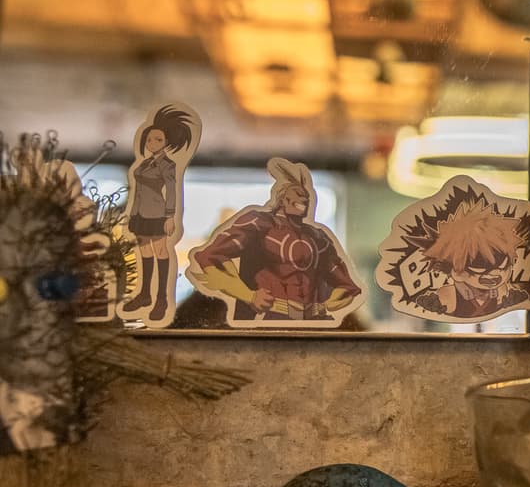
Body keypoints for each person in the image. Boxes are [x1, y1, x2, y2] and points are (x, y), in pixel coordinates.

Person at [187, 159, 362, 326]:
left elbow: (348, 287)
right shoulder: (260, 224)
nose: (303, 198)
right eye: (296, 193)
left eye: (304, 195)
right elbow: (208, 256)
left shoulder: (318, 237)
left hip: (317, 326)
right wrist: (248, 295)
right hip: (266, 319)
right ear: (282, 198)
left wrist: (328, 305)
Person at [121, 104, 196, 323]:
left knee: (160, 250)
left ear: (166, 143)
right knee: (144, 250)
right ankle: (145, 294)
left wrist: (170, 216)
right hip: (140, 213)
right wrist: (132, 213)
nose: (152, 144)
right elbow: (138, 192)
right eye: (150, 140)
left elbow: (172, 191)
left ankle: (161, 299)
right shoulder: (144, 164)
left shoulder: (168, 165)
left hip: (157, 213)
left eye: (158, 140)